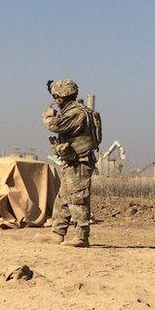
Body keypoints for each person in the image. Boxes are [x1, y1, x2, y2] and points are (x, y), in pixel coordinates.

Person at [38, 78, 100, 247]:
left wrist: (48, 115)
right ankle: (57, 234)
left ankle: (81, 237)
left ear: (60, 97)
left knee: (77, 199)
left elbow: (56, 126)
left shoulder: (76, 112)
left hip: (80, 162)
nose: (55, 100)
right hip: (72, 162)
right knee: (63, 199)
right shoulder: (73, 110)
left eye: (56, 96)